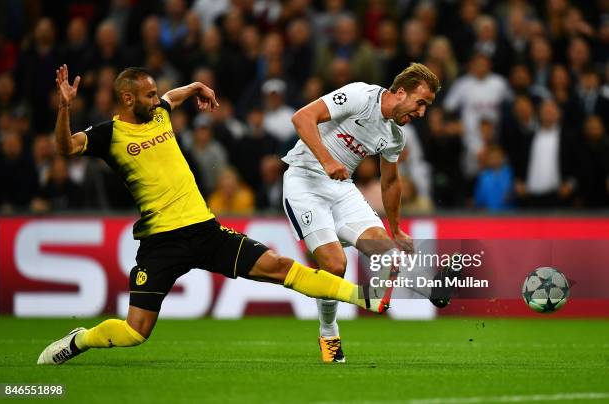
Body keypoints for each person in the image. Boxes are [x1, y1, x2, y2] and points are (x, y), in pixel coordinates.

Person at [37, 65, 393, 366]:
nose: (156, 99)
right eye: (148, 95)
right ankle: (80, 340)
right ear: (128, 99)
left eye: (155, 94)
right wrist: (64, 108)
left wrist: (194, 88)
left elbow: (172, 97)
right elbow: (65, 147)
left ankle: (363, 297)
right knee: (134, 332)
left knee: (279, 267)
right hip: (161, 241)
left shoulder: (159, 112)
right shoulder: (109, 134)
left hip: (205, 230)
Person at [282, 63, 452, 364]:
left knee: (387, 252)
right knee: (335, 266)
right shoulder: (360, 95)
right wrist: (326, 160)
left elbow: (390, 182)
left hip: (341, 187)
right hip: (305, 181)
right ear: (400, 93)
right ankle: (328, 334)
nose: (422, 113)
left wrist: (396, 228)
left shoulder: (395, 135)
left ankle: (431, 287)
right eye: (420, 103)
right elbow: (302, 117)